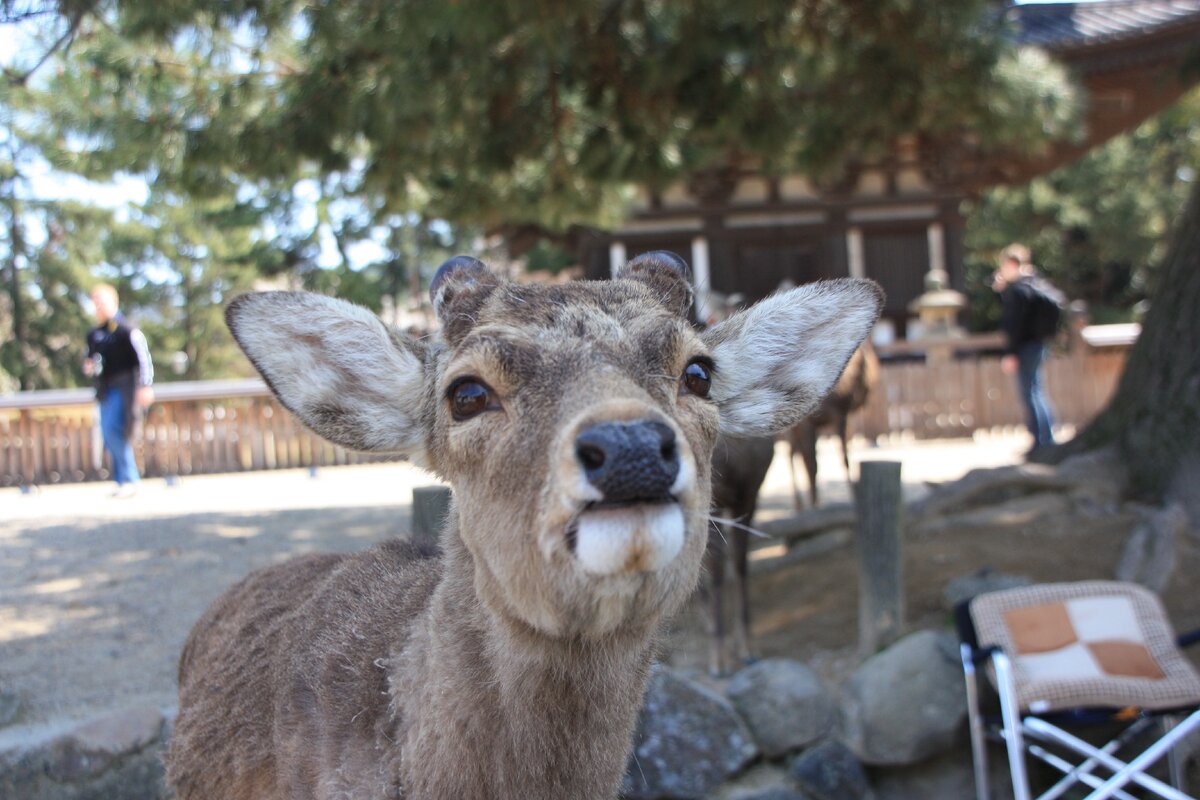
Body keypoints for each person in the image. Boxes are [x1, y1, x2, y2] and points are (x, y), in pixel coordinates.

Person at [84, 284, 154, 497]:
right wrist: (88, 367)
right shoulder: (95, 334)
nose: (98, 306)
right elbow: (90, 360)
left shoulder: (126, 329)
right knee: (107, 433)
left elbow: (142, 358)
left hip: (126, 387)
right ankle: (121, 479)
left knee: (114, 429)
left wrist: (145, 385)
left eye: (101, 301)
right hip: (105, 389)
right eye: (95, 302)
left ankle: (130, 478)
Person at [993, 244, 1056, 453]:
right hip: (1039, 345)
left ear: (1011, 264)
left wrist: (1010, 353)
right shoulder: (1035, 283)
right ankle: (1047, 438)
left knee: (1030, 393)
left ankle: (1040, 442)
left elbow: (1014, 324)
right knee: (1037, 391)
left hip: (1025, 347)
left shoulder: (1018, 289)